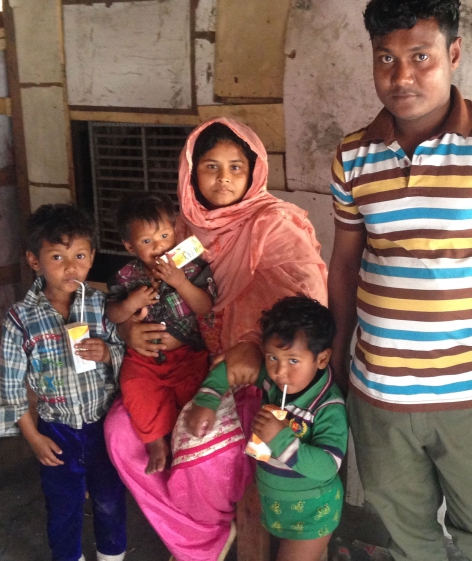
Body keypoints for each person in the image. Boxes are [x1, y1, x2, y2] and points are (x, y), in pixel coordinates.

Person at [327, 1, 472, 560]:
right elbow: (346, 266)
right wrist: (338, 351)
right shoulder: (353, 157)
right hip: (378, 394)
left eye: (420, 56)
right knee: (405, 534)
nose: (401, 76)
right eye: (386, 58)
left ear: (454, 54)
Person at [104, 118, 328, 561]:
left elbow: (308, 304)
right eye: (210, 166)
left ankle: (196, 539)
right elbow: (142, 295)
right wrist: (132, 330)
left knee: (206, 457)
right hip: (186, 363)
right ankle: (197, 540)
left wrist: (255, 343)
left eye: (235, 167)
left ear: (254, 172)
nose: (223, 178)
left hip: (257, 375)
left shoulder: (274, 224)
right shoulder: (180, 231)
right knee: (119, 432)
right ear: (191, 172)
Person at [0, 204, 127, 561]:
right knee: (64, 505)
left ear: (92, 256)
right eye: (57, 256)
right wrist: (34, 437)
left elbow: (127, 357)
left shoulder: (101, 305)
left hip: (103, 424)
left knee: (110, 498)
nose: (72, 267)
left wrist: (108, 353)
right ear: (34, 261)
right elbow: (11, 388)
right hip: (56, 432)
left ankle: (112, 556)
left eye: (80, 255)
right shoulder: (20, 319)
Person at [187, 296, 346, 561]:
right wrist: (207, 401)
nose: (280, 372)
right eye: (273, 357)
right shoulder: (274, 382)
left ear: (322, 359)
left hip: (312, 514)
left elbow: (328, 465)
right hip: (271, 504)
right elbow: (230, 368)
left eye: (293, 361)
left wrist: (281, 440)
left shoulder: (328, 407)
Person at [106, 194, 217, 475]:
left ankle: (186, 445)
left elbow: (205, 307)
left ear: (176, 233)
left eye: (165, 236)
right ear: (129, 245)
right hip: (145, 358)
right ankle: (156, 443)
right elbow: (113, 314)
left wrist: (180, 282)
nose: (158, 247)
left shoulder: (191, 268)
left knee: (194, 394)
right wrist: (130, 304)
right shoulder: (126, 276)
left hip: (188, 355)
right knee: (133, 384)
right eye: (146, 242)